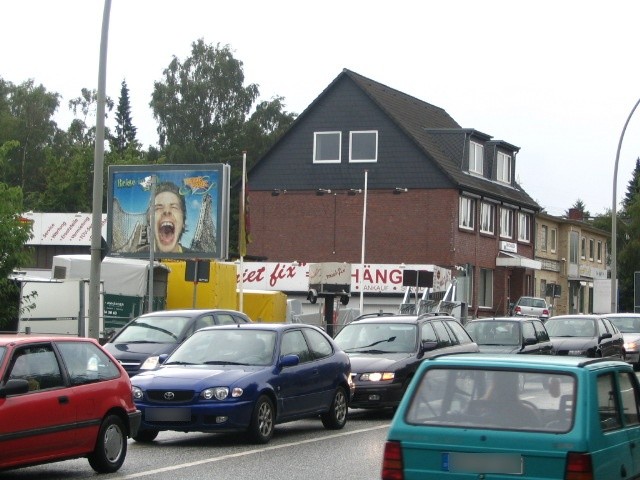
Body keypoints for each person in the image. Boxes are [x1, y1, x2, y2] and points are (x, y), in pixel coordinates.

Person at [134, 181, 190, 254]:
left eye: (174, 207)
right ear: (149, 221)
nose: (166, 211)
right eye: (158, 208)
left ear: (183, 221)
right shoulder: (135, 258)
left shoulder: (196, 258)